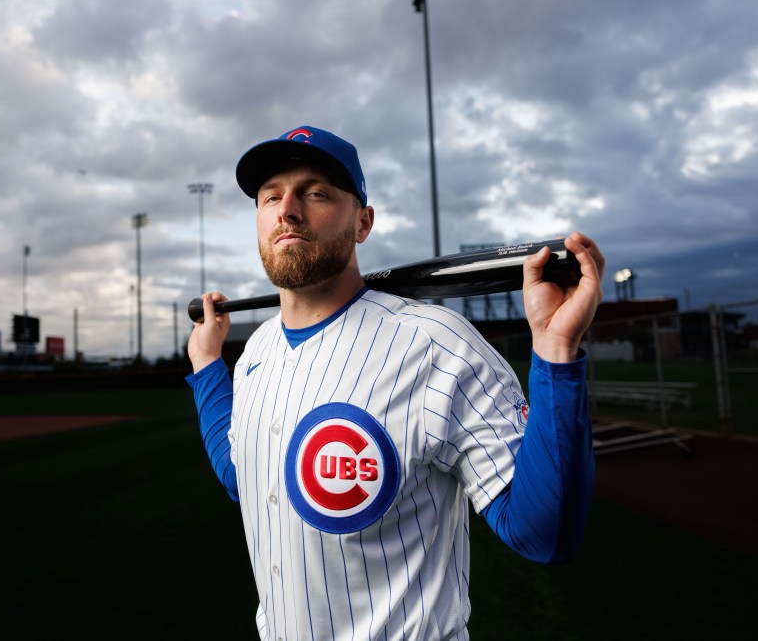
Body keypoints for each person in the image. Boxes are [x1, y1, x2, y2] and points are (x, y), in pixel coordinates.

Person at [186, 125, 605, 641]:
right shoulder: (255, 354)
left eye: (315, 193)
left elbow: (545, 535)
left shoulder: (435, 344)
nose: (287, 209)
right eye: (270, 196)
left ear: (363, 223)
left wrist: (555, 353)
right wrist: (208, 369)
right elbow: (241, 478)